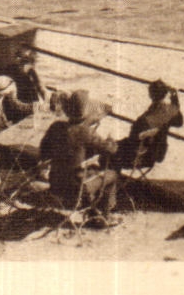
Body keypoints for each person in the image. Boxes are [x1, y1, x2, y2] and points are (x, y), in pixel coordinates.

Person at [38, 89, 121, 225]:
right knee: (111, 175)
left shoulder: (56, 127)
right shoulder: (85, 132)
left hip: (55, 183)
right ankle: (104, 217)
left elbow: (44, 151)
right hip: (76, 190)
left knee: (89, 169)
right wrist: (111, 140)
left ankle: (94, 210)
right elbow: (111, 150)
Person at [114, 79, 184, 171]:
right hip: (158, 153)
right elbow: (179, 122)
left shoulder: (144, 120)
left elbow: (133, 139)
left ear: (150, 95)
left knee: (108, 154)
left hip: (140, 157)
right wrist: (174, 98)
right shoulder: (169, 111)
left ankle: (112, 180)